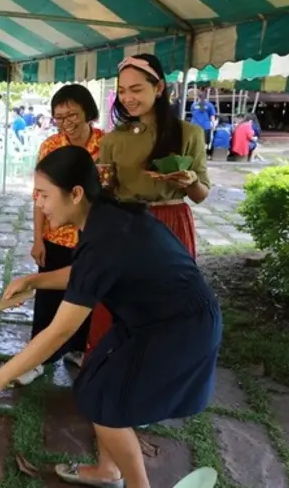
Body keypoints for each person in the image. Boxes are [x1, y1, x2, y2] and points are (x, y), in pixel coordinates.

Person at [0, 145, 222, 488]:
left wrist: (3, 376)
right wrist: (35, 280)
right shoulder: (102, 218)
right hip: (151, 318)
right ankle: (108, 470)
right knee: (98, 385)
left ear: (76, 193)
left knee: (109, 405)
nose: (37, 203)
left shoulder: (107, 235)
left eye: (43, 194)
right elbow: (87, 274)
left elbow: (59, 331)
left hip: (180, 328)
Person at [89, 53, 210, 354]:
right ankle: (112, 361)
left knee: (166, 300)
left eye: (137, 89)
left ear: (158, 89)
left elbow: (201, 194)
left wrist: (190, 181)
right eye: (122, 90)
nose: (128, 98)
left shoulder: (189, 133)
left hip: (170, 224)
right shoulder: (112, 140)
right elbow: (105, 190)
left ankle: (161, 365)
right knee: (120, 296)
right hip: (125, 224)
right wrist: (97, 181)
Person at [21, 84, 104, 385]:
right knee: (48, 298)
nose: (66, 122)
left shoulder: (105, 145)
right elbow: (39, 196)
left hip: (91, 235)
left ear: (87, 113)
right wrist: (37, 238)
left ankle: (77, 349)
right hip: (56, 236)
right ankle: (36, 358)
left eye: (72, 114)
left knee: (85, 295)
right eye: (59, 116)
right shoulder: (50, 146)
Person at [189, 89, 217, 156]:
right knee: (205, 142)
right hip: (205, 126)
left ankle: (194, 154)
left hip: (194, 126)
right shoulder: (209, 105)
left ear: (198, 97)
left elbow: (193, 114)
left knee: (195, 141)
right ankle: (203, 155)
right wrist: (213, 125)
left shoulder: (193, 105)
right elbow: (212, 116)